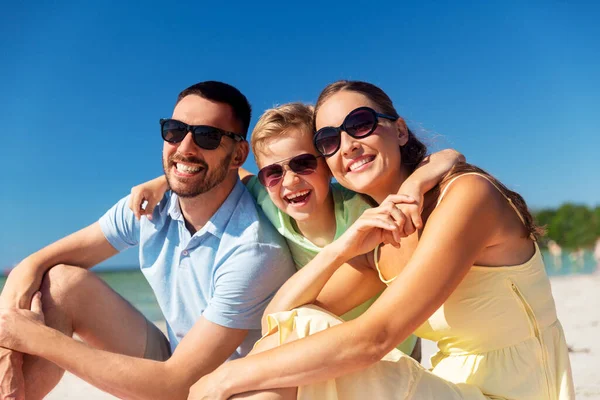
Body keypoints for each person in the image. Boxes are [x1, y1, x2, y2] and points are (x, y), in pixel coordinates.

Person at [187, 80, 575, 400]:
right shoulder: (383, 237)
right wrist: (342, 247)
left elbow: (376, 338)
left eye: (360, 124)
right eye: (329, 140)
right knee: (297, 333)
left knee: (262, 379)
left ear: (400, 130)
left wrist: (226, 377)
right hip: (451, 388)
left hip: (514, 391)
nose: (348, 145)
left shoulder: (467, 196)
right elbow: (281, 319)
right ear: (330, 162)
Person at [0, 81, 295, 400]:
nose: (184, 148)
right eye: (174, 130)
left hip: (227, 386)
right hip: (170, 358)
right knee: (60, 283)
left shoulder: (254, 250)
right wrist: (8, 355)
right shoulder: (149, 206)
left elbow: (175, 383)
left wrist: (38, 339)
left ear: (238, 154)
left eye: (207, 136)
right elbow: (34, 264)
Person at [129, 102, 465, 359]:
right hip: (320, 349)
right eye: (273, 173)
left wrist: (416, 185)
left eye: (303, 163)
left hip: (394, 356)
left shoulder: (365, 210)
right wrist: (163, 181)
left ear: (328, 165)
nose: (289, 182)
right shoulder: (267, 200)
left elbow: (448, 156)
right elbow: (230, 172)